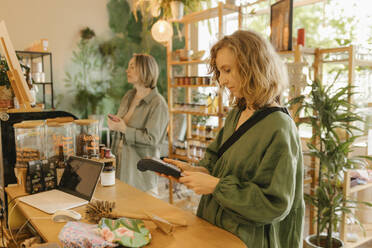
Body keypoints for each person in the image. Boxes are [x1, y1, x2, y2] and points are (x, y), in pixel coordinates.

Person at [163, 30, 305, 247]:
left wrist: (215, 186)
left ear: (253, 66)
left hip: (245, 240)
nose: (222, 79)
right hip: (214, 230)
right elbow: (215, 163)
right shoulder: (237, 114)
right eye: (219, 71)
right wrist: (192, 171)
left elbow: (274, 204)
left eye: (227, 70)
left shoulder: (279, 127)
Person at [108, 53, 168, 196]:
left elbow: (151, 140)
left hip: (141, 179)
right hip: (121, 171)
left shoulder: (158, 104)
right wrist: (115, 125)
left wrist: (124, 129)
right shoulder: (128, 96)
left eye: (132, 67)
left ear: (145, 70)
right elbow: (121, 129)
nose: (127, 70)